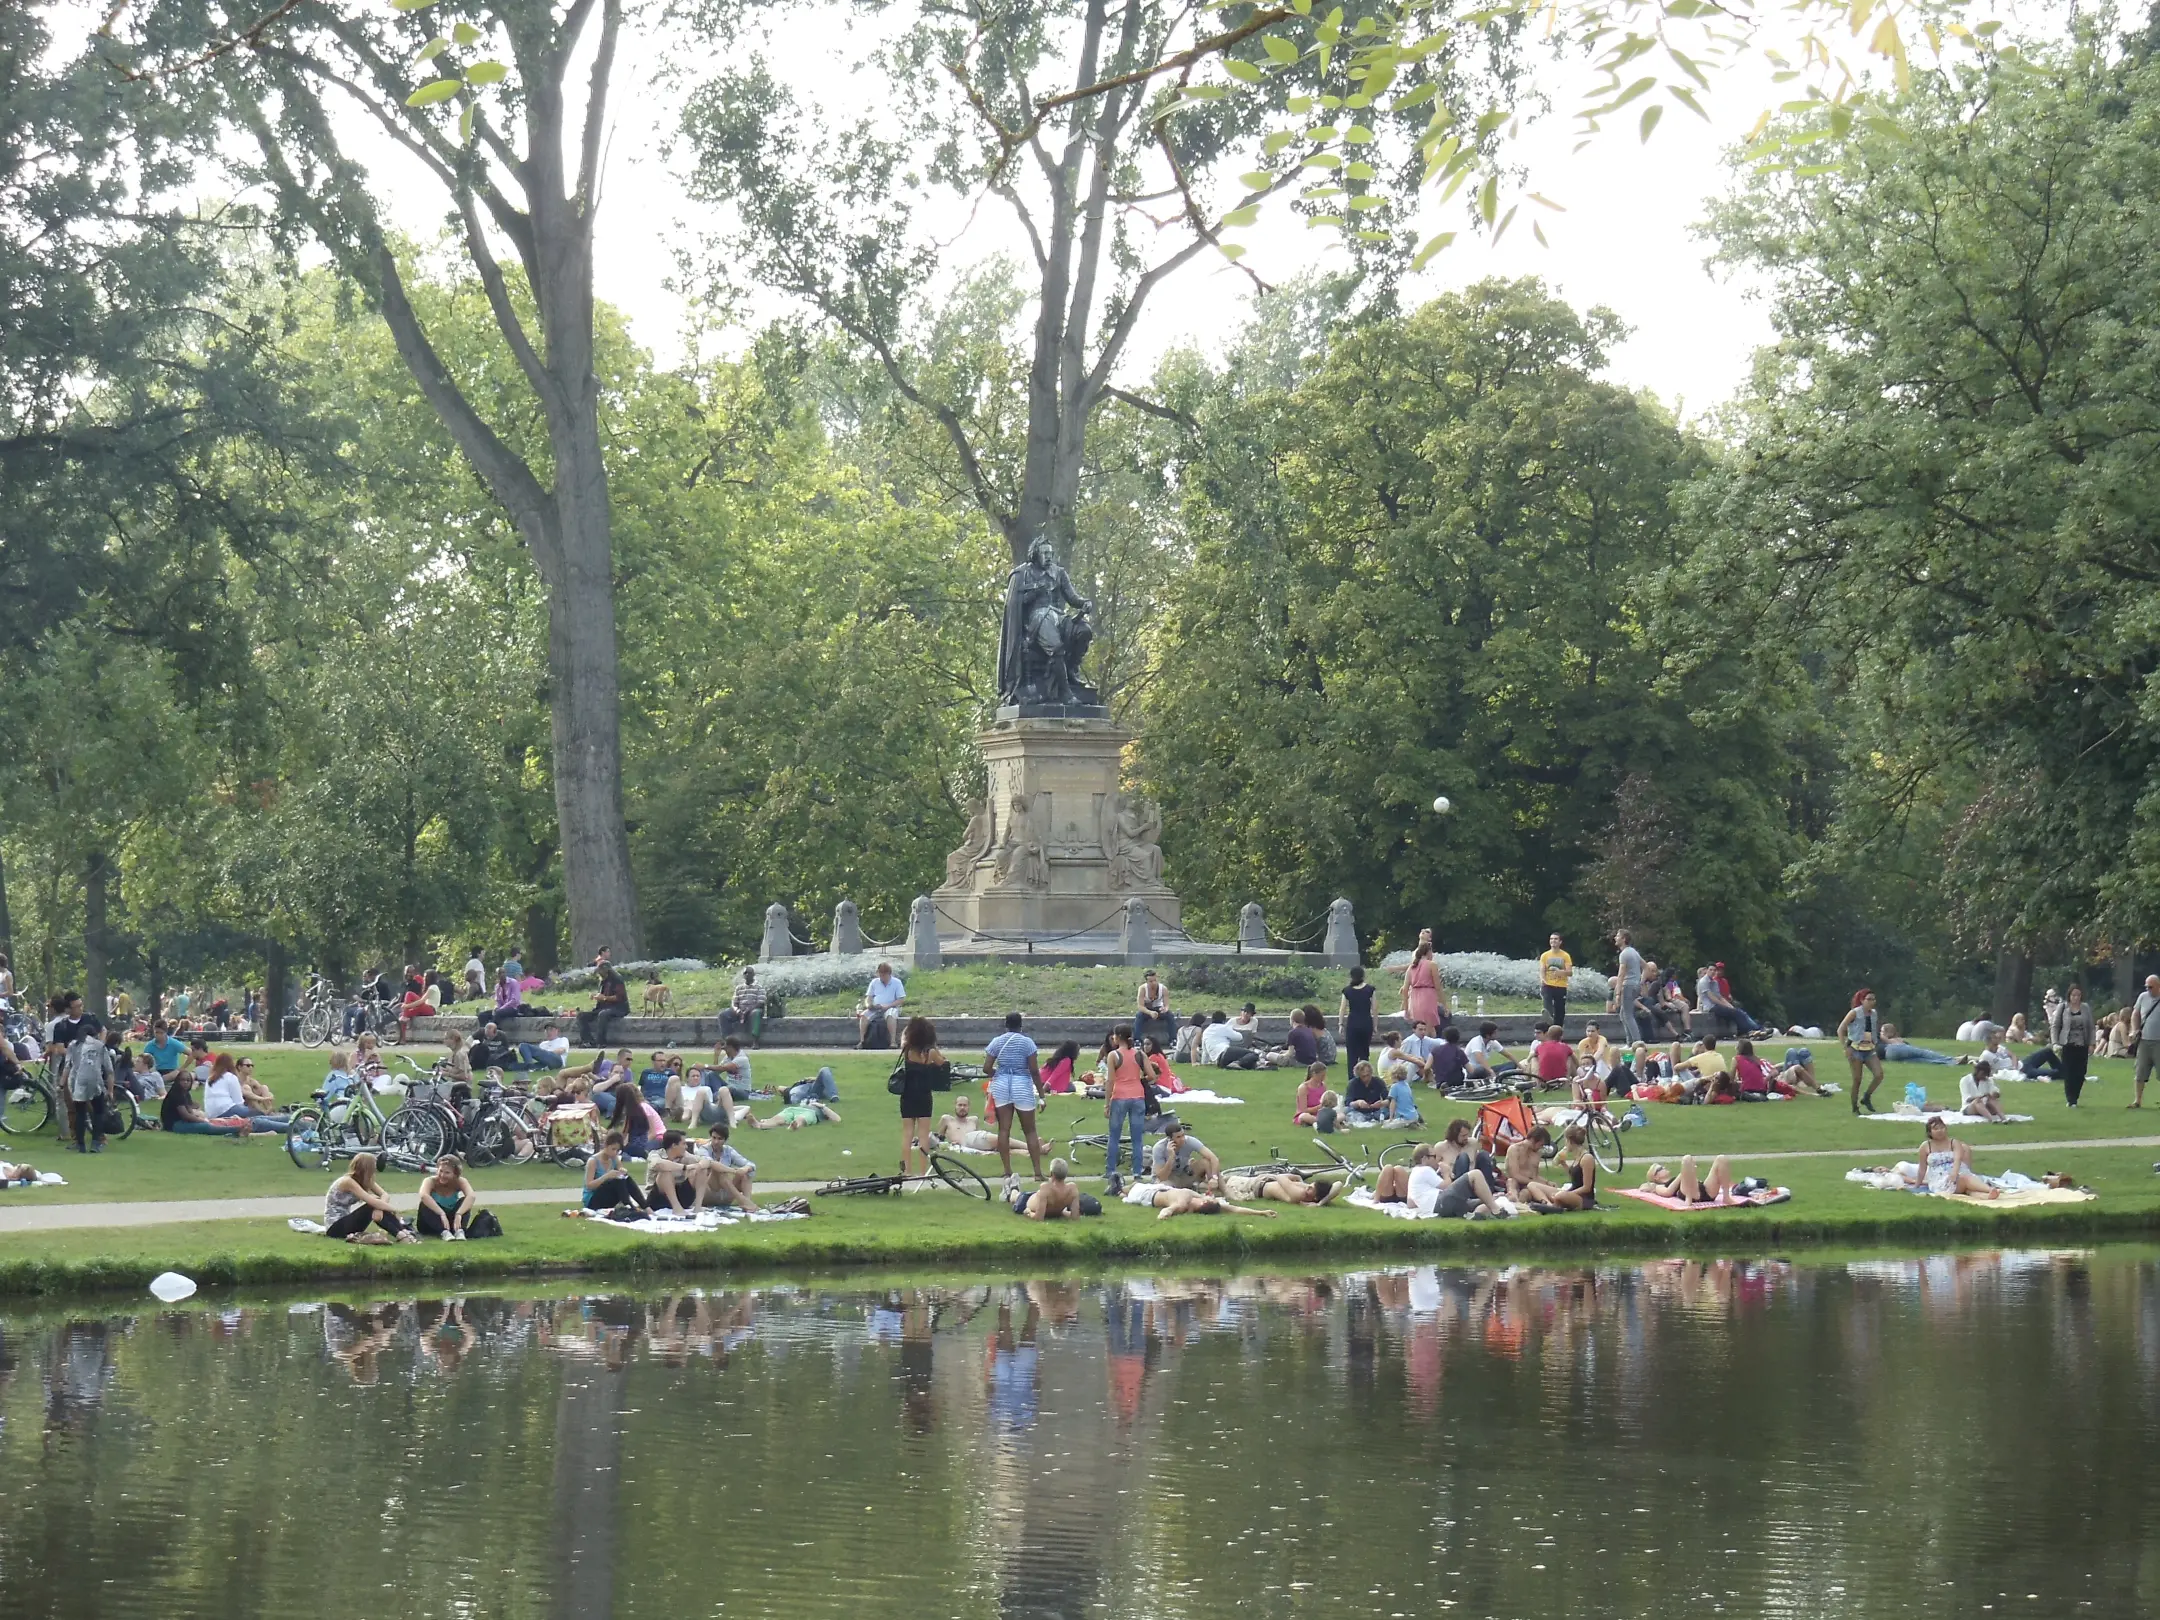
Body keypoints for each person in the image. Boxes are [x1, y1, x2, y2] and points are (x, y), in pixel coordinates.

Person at [984, 1012, 1046, 1192]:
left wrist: (1000, 1075)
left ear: (1005, 1024)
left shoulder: (997, 1041)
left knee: (1004, 1129)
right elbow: (1034, 1070)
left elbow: (986, 1067)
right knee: (1030, 1130)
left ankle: (1007, 1171)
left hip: (1002, 1084)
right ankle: (1037, 1172)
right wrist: (1041, 1095)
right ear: (1021, 1025)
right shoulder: (1027, 1043)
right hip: (1021, 1084)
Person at [324, 1154, 418, 1242]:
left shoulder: (365, 1180)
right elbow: (371, 1201)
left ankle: (403, 1232)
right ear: (366, 1168)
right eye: (373, 1167)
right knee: (372, 1204)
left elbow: (384, 1195)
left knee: (376, 1204)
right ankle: (401, 1235)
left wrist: (379, 1209)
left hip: (348, 1223)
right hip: (335, 1228)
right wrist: (394, 1209)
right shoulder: (347, 1181)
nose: (375, 1170)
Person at [898, 1015, 949, 1177]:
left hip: (907, 1095)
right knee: (923, 1135)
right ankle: (922, 1171)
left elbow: (903, 1036)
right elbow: (943, 1062)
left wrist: (907, 1030)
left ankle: (907, 1171)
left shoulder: (907, 1050)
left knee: (907, 1133)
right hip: (924, 1096)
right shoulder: (930, 1053)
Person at [1102, 1025, 1149, 1196]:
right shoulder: (1139, 1054)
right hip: (1138, 1097)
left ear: (1118, 1037)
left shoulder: (1113, 1055)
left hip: (1120, 1097)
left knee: (1114, 1136)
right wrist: (1140, 1078)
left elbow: (1110, 1081)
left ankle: (1111, 1170)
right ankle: (1137, 1172)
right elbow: (1152, 1075)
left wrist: (1107, 1103)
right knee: (1137, 1138)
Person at [61, 1019, 116, 1153]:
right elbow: (109, 1070)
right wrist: (110, 1090)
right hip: (94, 1080)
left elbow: (67, 1066)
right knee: (97, 1113)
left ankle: (80, 1144)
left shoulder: (73, 1045)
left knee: (80, 1113)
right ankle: (96, 1143)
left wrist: (62, 1083)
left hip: (76, 1082)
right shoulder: (99, 1045)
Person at [1916, 1116, 1998, 1197]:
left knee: (1966, 1183)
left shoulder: (1954, 1143)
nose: (1940, 1131)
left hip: (1958, 1171)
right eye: (1936, 1129)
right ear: (1929, 1132)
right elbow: (1922, 1168)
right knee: (1965, 1180)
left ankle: (1987, 1195)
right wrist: (1917, 1185)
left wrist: (1954, 1174)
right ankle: (1989, 1190)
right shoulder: (1925, 1146)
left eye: (1942, 1128)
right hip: (1939, 1179)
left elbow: (1957, 1159)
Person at [203, 1054, 287, 1134]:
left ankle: (282, 1118)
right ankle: (284, 1121)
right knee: (256, 1116)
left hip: (211, 1113)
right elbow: (238, 1101)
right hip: (227, 1109)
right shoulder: (230, 1077)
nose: (250, 1068)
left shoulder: (210, 1078)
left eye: (251, 1065)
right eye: (247, 1065)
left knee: (256, 1116)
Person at [1838, 988, 1887, 1115]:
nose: (1872, 1002)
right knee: (1857, 1079)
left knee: (1879, 1074)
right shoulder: (1854, 1013)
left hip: (1869, 1049)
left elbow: (1872, 1029)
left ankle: (1866, 1097)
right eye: (1869, 999)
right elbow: (1841, 1029)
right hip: (1855, 1049)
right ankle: (1855, 1107)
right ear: (1862, 1000)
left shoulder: (1874, 1013)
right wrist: (1845, 1047)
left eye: (1873, 999)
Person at [1125, 1182, 1278, 1221]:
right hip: (1162, 1188)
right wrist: (1262, 1212)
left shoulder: (1183, 1203)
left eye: (1210, 1198)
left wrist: (1163, 1216)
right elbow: (1235, 1209)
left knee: (1129, 1189)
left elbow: (1167, 1210)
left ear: (1203, 1204)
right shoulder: (1194, 1198)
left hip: (1146, 1195)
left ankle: (1117, 1188)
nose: (1210, 1196)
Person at [160, 1072, 248, 1136]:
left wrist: (199, 1116)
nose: (185, 1083)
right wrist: (201, 1120)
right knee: (206, 1127)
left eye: (188, 1080)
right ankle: (236, 1129)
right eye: (182, 1080)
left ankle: (236, 1128)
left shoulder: (185, 1093)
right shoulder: (176, 1094)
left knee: (207, 1122)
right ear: (177, 1081)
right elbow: (185, 1115)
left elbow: (190, 1110)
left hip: (181, 1122)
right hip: (174, 1125)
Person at [695, 1124, 760, 1210]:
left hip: (726, 1191)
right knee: (718, 1171)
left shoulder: (728, 1150)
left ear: (725, 1140)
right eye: (714, 1138)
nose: (716, 1142)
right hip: (708, 1191)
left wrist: (744, 1169)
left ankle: (747, 1204)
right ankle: (744, 1201)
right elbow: (712, 1163)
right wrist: (734, 1171)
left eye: (720, 1139)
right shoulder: (703, 1149)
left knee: (745, 1174)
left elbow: (750, 1164)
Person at [415, 1154, 479, 1238]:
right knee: (424, 1203)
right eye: (440, 1171)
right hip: (431, 1223)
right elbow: (423, 1195)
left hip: (450, 1222)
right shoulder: (430, 1181)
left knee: (464, 1201)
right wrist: (441, 1213)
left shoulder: (460, 1181)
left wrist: (459, 1214)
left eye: (447, 1173)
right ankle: (444, 1232)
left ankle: (459, 1231)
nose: (442, 1175)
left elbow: (471, 1196)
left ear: (455, 1174)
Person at [582, 1132, 646, 1213]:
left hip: (608, 1198)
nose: (615, 1152)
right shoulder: (593, 1161)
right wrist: (607, 1176)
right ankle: (630, 1207)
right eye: (613, 1149)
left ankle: (645, 1206)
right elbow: (589, 1186)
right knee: (617, 1181)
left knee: (625, 1178)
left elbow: (621, 1171)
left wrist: (622, 1171)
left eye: (618, 1150)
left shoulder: (614, 1158)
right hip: (592, 1200)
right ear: (606, 1146)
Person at [2056, 984, 2097, 1107]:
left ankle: (2076, 1095)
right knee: (2069, 1072)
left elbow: (2091, 1027)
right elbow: (2056, 1025)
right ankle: (2071, 1099)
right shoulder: (2063, 1007)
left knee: (2080, 1072)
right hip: (2067, 1043)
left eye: (2078, 995)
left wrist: (2091, 1043)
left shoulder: (2085, 1008)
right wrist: (2055, 1043)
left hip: (2082, 1043)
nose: (2076, 998)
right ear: (2069, 996)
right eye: (2073, 995)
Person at [578, 951, 630, 1048]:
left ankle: (601, 1042)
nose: (599, 974)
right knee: (581, 1016)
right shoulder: (602, 981)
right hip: (603, 1007)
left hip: (618, 1008)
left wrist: (605, 998)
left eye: (600, 971)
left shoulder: (617, 979)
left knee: (603, 1014)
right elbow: (602, 995)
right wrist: (595, 996)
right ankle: (588, 1041)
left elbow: (620, 997)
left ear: (606, 971)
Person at [1638, 1155, 1740, 1204]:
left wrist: (1687, 1171)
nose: (1664, 1168)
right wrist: (1684, 1173)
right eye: (1660, 1169)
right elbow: (1668, 1192)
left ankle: (1726, 1198)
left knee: (1721, 1159)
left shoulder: (1682, 1173)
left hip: (1703, 1189)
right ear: (1656, 1177)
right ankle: (1689, 1200)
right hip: (1688, 1193)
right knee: (1687, 1158)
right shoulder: (1660, 1186)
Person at [1149, 1120, 1220, 1189]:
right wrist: (1171, 1158)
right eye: (1178, 1137)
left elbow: (1213, 1158)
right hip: (1167, 1179)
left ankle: (1219, 1189)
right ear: (1169, 1139)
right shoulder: (1159, 1148)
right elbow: (1162, 1177)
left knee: (1206, 1162)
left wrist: (1214, 1177)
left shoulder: (1189, 1141)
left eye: (1183, 1135)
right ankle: (1194, 1187)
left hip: (1182, 1174)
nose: (1182, 1139)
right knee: (1163, 1187)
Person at [1335, 966, 1376, 1075]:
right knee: (1364, 1052)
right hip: (1366, 1022)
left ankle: (1352, 1078)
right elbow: (1375, 1009)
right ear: (1363, 976)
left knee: (1352, 1054)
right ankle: (1365, 1076)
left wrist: (1340, 1024)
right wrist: (1375, 1025)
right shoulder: (1370, 990)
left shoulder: (1347, 991)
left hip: (1353, 1023)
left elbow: (1342, 1008)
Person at [1012, 1159, 1082, 1219]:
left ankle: (1013, 1187)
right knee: (1014, 1196)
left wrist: (1029, 1212)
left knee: (1018, 1197)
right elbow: (1075, 1216)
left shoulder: (1046, 1189)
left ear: (1051, 1174)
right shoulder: (1072, 1189)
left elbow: (1038, 1218)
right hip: (1029, 1198)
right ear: (1066, 1174)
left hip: (1029, 1201)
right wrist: (1062, 1213)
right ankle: (1013, 1188)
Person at [1401, 938, 1445, 1032]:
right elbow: (1438, 987)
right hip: (1428, 997)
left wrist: (1406, 1009)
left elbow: (1405, 989)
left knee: (1420, 1028)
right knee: (1429, 1028)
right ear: (1428, 952)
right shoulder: (1432, 965)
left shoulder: (1412, 967)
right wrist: (1445, 1005)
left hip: (1414, 998)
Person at [859, 962, 906, 1049]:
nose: (882, 977)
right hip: (876, 1007)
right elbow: (869, 997)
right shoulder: (874, 982)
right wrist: (868, 1004)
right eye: (880, 974)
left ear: (889, 974)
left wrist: (887, 1006)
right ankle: (862, 1041)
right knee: (864, 1015)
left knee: (890, 1015)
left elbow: (901, 999)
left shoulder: (897, 982)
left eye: (884, 975)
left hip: (891, 1006)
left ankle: (893, 1042)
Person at [2131, 976, 2160, 1109]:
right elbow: (2135, 1014)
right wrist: (2135, 1029)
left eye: (2151, 987)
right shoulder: (2143, 997)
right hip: (2144, 1040)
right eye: (2146, 987)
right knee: (2140, 1071)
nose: (2148, 990)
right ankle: (2137, 1100)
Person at [934, 1095, 1000, 1153]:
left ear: (968, 1107)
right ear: (955, 1106)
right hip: (960, 1146)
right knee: (1002, 1141)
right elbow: (938, 1141)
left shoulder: (974, 1120)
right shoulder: (947, 1119)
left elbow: (979, 1137)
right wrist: (950, 1144)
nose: (962, 1108)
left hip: (976, 1142)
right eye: (960, 1105)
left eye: (965, 1105)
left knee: (1001, 1141)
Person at [1613, 930, 1645, 1043]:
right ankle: (1630, 1042)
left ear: (1624, 939)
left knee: (1627, 1015)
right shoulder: (1634, 952)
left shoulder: (1624, 954)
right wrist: (1641, 981)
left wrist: (1617, 993)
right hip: (1634, 985)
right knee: (1623, 1014)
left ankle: (1637, 1042)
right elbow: (1646, 966)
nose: (1615, 938)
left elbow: (1621, 974)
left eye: (1617, 936)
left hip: (1628, 986)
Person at [720, 969, 768, 1043]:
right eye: (745, 973)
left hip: (753, 1010)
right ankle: (727, 1040)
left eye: (749, 973)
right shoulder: (739, 988)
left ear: (753, 975)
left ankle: (755, 1041)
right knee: (723, 1015)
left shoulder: (759, 987)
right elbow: (734, 1002)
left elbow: (761, 1002)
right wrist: (737, 1010)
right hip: (740, 1010)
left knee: (756, 1013)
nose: (747, 975)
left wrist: (747, 1010)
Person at [1538, 933, 1573, 1029]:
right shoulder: (1545, 955)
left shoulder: (1565, 955)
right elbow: (1542, 969)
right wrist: (1543, 980)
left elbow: (1570, 972)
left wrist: (1560, 972)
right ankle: (1548, 1020)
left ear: (1560, 942)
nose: (1553, 941)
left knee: (1560, 1011)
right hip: (1548, 984)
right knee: (1547, 1004)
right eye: (1551, 939)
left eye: (1556, 939)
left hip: (1561, 986)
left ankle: (1558, 1030)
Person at [1135, 970, 1175, 1047]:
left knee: (1170, 1015)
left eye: (1155, 980)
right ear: (1146, 981)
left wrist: (1165, 1009)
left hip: (1159, 1009)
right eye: (1150, 981)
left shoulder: (1163, 989)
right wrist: (1150, 1012)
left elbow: (1166, 1005)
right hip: (1147, 1010)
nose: (1153, 983)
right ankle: (1137, 1040)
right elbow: (1140, 1006)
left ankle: (1173, 1040)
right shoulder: (1142, 989)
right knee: (1139, 1016)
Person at [142, 1020, 186, 1087]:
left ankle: (159, 1082)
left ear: (166, 1032)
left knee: (177, 1073)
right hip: (157, 1071)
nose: (158, 1035)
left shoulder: (173, 1043)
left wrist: (182, 1068)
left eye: (161, 1033)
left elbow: (191, 1053)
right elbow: (144, 1060)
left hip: (172, 1071)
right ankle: (160, 1081)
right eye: (156, 1032)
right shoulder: (150, 1045)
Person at [1880, 1025, 1957, 1063]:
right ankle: (1952, 1060)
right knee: (1924, 1053)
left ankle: (1950, 1062)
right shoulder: (1891, 1040)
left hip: (1888, 1057)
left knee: (1922, 1060)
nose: (1881, 1033)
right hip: (1892, 1050)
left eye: (1882, 1031)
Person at [1292, 1063, 1329, 1127]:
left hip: (1320, 1114)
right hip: (1307, 1115)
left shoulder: (1323, 1086)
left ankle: (1322, 1122)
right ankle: (1324, 1122)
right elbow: (1303, 1110)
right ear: (1314, 1074)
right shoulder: (1303, 1088)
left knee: (1341, 1114)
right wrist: (1320, 1107)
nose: (1324, 1078)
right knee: (1304, 1116)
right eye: (1322, 1076)